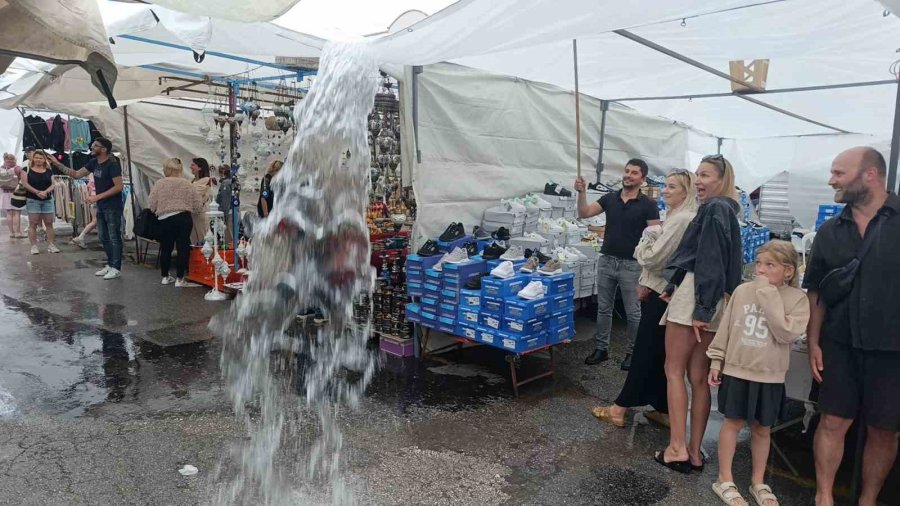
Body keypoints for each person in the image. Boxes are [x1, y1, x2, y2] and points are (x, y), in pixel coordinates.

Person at [802, 147, 900, 506]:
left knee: (884, 430)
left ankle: (868, 499)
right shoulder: (830, 230)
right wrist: (814, 342)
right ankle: (823, 497)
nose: (832, 180)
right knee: (832, 422)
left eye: (839, 173)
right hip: (839, 344)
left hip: (893, 349)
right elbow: (815, 292)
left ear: (869, 175)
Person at [654, 154, 743, 473]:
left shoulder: (716, 208)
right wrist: (672, 282)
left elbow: (709, 260)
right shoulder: (726, 210)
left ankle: (676, 448)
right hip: (711, 297)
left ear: (723, 179)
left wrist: (699, 308)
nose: (699, 181)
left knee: (673, 370)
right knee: (698, 378)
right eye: (697, 175)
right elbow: (702, 256)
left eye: (706, 175)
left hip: (698, 296)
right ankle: (694, 451)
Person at [591, 169, 697, 427]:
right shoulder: (675, 216)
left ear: (686, 191)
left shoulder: (681, 219)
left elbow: (653, 257)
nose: (665, 190)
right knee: (658, 354)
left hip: (663, 293)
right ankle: (663, 408)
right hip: (662, 289)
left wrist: (643, 243)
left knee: (645, 352)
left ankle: (619, 408)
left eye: (672, 187)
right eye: (666, 186)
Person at [707, 240, 809, 506]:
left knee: (763, 429)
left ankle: (758, 481)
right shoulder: (742, 291)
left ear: (788, 271)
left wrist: (769, 295)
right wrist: (716, 360)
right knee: (732, 422)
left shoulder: (797, 299)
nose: (761, 270)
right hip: (738, 370)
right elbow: (726, 328)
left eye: (770, 265)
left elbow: (785, 332)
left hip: (770, 375)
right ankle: (724, 478)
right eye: (759, 263)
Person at [576, 158, 661, 368]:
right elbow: (584, 213)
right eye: (627, 171)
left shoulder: (648, 205)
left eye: (634, 173)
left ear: (642, 179)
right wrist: (582, 193)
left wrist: (648, 269)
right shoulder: (609, 199)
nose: (628, 175)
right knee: (604, 308)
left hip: (632, 265)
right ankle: (601, 349)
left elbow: (656, 238)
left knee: (633, 312)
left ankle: (633, 353)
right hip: (607, 260)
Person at [51, 138, 124, 280]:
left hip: (112, 206)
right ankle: (110, 264)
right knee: (103, 237)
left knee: (114, 237)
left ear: (103, 149)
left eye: (95, 145)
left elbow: (119, 187)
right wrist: (56, 163)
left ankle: (116, 267)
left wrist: (97, 197)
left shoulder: (112, 165)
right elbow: (76, 174)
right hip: (101, 205)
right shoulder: (93, 163)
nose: (91, 146)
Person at [148, 158, 203, 287]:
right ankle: (180, 278)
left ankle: (165, 276)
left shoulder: (159, 184)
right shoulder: (187, 184)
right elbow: (198, 204)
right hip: (183, 218)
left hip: (165, 218)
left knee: (166, 248)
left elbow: (152, 203)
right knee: (182, 247)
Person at [18, 150, 59, 254]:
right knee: (33, 223)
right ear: (33, 158)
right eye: (36, 157)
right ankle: (33, 246)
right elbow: (25, 183)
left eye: (41, 158)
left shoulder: (49, 170)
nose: (38, 160)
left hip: (47, 200)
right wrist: (37, 192)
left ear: (44, 159)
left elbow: (53, 184)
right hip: (32, 200)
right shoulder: (26, 169)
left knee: (49, 223)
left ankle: (51, 244)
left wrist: (45, 192)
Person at [189, 158, 213, 244]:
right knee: (194, 240)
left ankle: (205, 257)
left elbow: (194, 194)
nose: (190, 167)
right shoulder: (193, 181)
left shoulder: (206, 180)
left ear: (200, 167)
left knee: (203, 239)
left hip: (201, 214)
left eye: (193, 165)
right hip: (193, 214)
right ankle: (196, 257)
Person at [1, 152, 25, 238]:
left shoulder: (1, 168)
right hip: (16, 193)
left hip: (5, 193)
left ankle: (11, 233)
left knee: (9, 213)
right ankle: (18, 232)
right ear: (14, 160)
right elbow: (23, 181)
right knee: (17, 213)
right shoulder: (18, 168)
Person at [70, 173, 97, 248]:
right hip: (99, 199)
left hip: (93, 198)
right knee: (95, 221)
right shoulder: (101, 172)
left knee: (94, 221)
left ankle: (81, 237)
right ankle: (80, 237)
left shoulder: (91, 174)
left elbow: (89, 187)